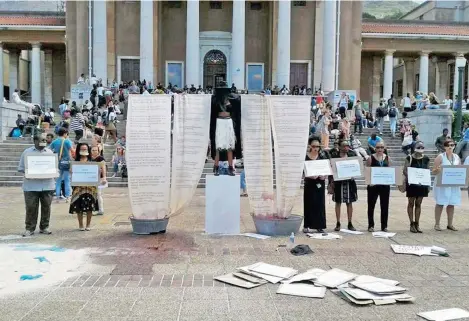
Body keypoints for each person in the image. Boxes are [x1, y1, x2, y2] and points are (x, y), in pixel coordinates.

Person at [18, 132, 55, 236]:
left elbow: (54, 168)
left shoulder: (50, 153)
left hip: (47, 185)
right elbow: (21, 168)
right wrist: (30, 172)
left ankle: (44, 227)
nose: (44, 141)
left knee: (46, 207)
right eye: (42, 140)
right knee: (30, 208)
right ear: (35, 141)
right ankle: (29, 228)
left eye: (45, 140)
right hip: (31, 186)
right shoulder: (26, 152)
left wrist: (54, 172)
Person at [69, 143, 100, 231]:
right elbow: (72, 174)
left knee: (90, 207)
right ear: (78, 150)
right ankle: (81, 225)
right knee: (79, 207)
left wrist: (98, 172)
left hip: (90, 188)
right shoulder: (75, 162)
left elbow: (97, 174)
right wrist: (71, 171)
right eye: (82, 149)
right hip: (78, 187)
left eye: (85, 149)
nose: (84, 151)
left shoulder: (92, 162)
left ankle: (88, 225)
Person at [328, 139, 358, 231]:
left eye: (347, 145)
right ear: (340, 147)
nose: (346, 147)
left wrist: (355, 174)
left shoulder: (352, 155)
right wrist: (331, 182)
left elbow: (357, 167)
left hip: (349, 182)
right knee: (338, 202)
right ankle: (338, 222)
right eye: (344, 146)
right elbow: (331, 170)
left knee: (349, 203)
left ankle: (350, 223)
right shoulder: (335, 156)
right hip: (338, 183)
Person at [432, 139, 460, 231]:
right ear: (445, 147)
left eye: (452, 145)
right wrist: (438, 170)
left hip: (453, 184)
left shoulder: (456, 157)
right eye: (448, 145)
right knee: (440, 202)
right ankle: (437, 224)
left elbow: (460, 170)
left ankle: (450, 224)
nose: (450, 147)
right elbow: (433, 171)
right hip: (442, 183)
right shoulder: (440, 157)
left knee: (451, 203)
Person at [403, 141, 429, 233]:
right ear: (414, 147)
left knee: (419, 204)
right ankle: (411, 224)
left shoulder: (426, 158)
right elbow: (405, 171)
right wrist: (412, 177)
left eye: (422, 147)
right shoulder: (409, 158)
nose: (421, 149)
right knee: (411, 203)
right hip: (412, 184)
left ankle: (417, 224)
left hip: (422, 185)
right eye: (419, 147)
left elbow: (427, 171)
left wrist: (427, 184)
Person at [303, 137, 327, 233]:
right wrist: (308, 175)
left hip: (320, 183)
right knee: (308, 203)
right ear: (310, 146)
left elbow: (326, 169)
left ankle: (319, 225)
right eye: (314, 146)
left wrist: (324, 176)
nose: (316, 148)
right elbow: (303, 171)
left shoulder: (322, 156)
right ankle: (307, 225)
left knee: (319, 204)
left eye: (317, 146)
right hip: (309, 183)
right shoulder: (306, 157)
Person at [366, 141, 391, 232]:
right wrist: (369, 182)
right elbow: (367, 171)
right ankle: (371, 225)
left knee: (385, 205)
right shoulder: (370, 158)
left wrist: (390, 180)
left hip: (384, 185)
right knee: (371, 205)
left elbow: (389, 171)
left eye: (381, 147)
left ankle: (384, 226)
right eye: (378, 147)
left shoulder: (387, 158)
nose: (380, 149)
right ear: (375, 148)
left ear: (384, 148)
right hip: (373, 185)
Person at [49, 128, 73, 202]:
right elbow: (72, 150)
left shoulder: (54, 142)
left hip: (58, 163)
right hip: (66, 162)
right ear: (65, 133)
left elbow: (49, 149)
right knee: (67, 180)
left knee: (58, 180)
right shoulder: (67, 141)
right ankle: (68, 196)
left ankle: (58, 196)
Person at [91, 145, 106, 215]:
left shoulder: (100, 158)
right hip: (91, 178)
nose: (94, 151)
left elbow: (103, 168)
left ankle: (101, 209)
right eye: (93, 150)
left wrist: (104, 178)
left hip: (99, 178)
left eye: (95, 150)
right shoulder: (89, 158)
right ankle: (92, 209)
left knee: (98, 194)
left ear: (98, 151)